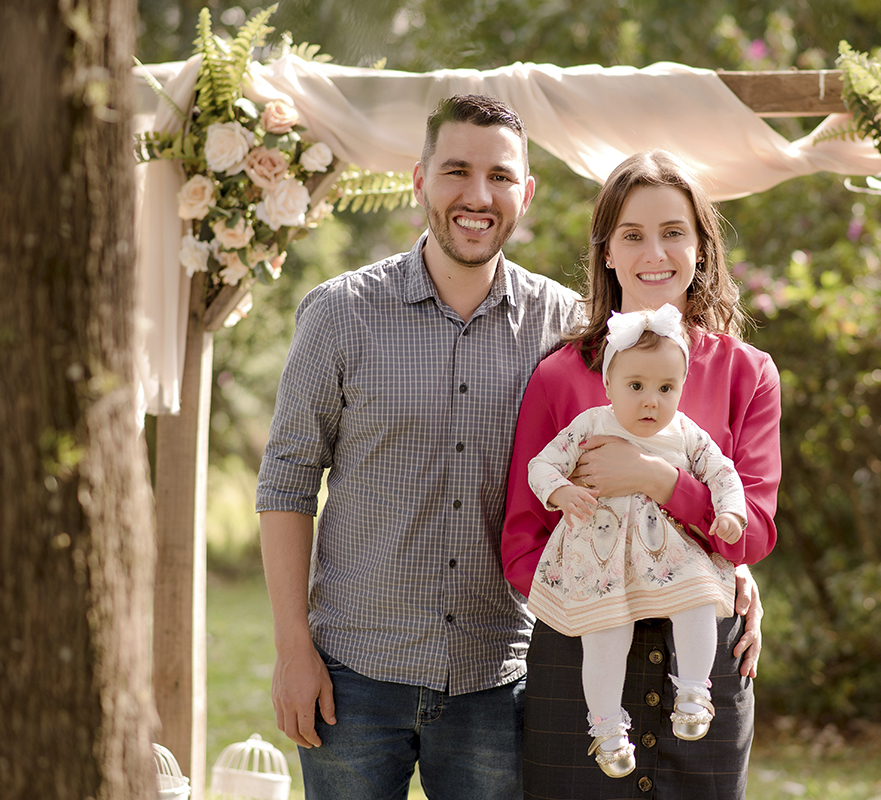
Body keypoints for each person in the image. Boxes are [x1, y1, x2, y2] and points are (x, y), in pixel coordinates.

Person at [254, 94, 584, 800]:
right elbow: (286, 481)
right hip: (352, 679)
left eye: (499, 177)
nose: (477, 195)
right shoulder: (340, 313)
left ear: (525, 193)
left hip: (497, 681)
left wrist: (730, 567)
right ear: (419, 181)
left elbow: (648, 435)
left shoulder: (566, 327)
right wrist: (292, 651)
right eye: (456, 171)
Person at [502, 149, 781, 799]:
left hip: (701, 657)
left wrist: (661, 483)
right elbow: (520, 541)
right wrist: (595, 585)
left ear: (702, 248)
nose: (654, 251)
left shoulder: (748, 373)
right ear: (606, 252)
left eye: (673, 231)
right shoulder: (561, 376)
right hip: (583, 648)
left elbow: (755, 533)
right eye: (632, 234)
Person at [525, 303, 747, 779]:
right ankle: (605, 728)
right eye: (636, 387)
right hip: (602, 558)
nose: (651, 401)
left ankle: (693, 690)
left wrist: (730, 511)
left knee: (698, 600)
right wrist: (561, 491)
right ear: (608, 386)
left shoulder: (684, 433)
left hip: (668, 554)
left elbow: (723, 472)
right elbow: (539, 466)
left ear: (681, 389)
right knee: (604, 634)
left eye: (666, 388)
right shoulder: (590, 425)